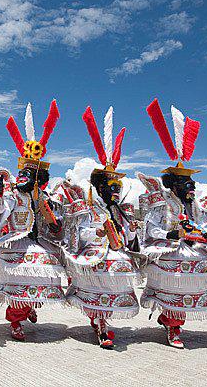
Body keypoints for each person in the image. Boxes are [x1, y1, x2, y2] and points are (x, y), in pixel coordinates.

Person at [136, 99, 207, 349]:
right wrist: (173, 233)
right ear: (173, 186)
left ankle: (171, 320)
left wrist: (206, 234)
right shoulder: (162, 204)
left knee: (191, 286)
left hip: (194, 250)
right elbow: (151, 229)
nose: (192, 187)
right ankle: (173, 327)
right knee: (174, 286)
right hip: (171, 250)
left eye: (192, 184)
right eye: (187, 184)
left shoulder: (198, 206)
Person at [59, 106, 140, 349]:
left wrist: (132, 230)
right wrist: (99, 233)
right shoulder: (88, 206)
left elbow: (129, 237)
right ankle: (102, 324)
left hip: (116, 252)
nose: (116, 191)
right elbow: (80, 232)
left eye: (118, 187)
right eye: (111, 186)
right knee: (103, 277)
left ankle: (102, 320)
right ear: (101, 187)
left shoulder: (122, 209)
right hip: (96, 253)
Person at [0, 101, 67, 341]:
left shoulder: (41, 196)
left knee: (42, 273)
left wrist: (55, 225)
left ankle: (30, 305)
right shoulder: (13, 194)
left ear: (36, 178)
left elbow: (48, 216)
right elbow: (1, 207)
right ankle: (15, 320)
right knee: (19, 278)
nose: (21, 177)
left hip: (38, 241)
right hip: (17, 241)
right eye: (20, 173)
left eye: (27, 175)